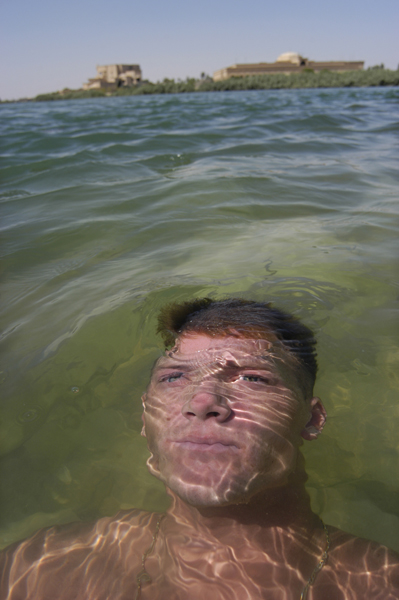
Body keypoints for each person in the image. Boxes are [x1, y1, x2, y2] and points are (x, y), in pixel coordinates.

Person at [1, 298, 398, 600]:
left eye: (253, 379)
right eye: (174, 377)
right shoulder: (48, 565)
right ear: (145, 419)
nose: (203, 399)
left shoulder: (380, 583)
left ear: (311, 420)